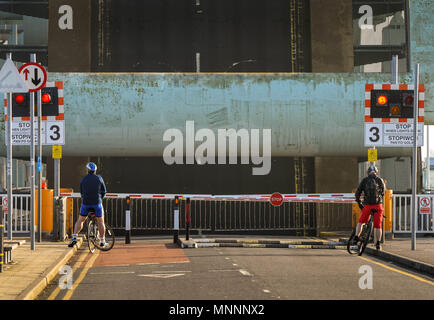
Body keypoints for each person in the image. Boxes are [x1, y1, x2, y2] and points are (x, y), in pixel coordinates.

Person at [68, 162, 107, 248]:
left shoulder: (83, 179)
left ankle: (74, 237)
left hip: (86, 203)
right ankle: (102, 241)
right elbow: (104, 191)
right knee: (101, 221)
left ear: (87, 170)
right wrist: (100, 198)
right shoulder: (99, 178)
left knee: (80, 220)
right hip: (97, 204)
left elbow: (82, 193)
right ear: (95, 170)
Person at [354, 165, 385, 250]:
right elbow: (383, 193)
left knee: (361, 222)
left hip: (367, 205)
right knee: (378, 226)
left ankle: (356, 237)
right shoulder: (380, 180)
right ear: (376, 172)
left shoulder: (364, 180)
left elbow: (358, 192)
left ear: (368, 172)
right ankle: (378, 243)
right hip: (378, 206)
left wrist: (359, 201)